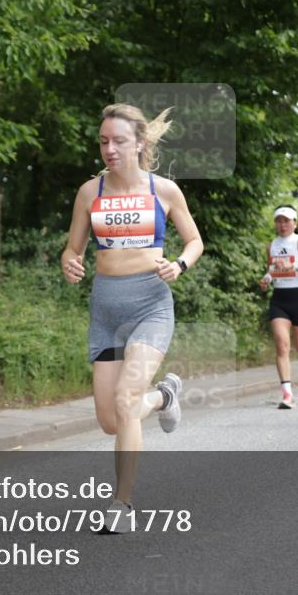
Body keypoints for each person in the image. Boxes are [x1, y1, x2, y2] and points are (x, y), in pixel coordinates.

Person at [61, 103, 203, 533]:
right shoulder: (91, 192)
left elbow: (194, 240)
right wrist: (70, 262)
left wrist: (178, 264)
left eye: (119, 141)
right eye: (104, 141)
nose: (109, 149)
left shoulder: (165, 191)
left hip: (150, 307)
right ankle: (164, 397)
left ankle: (121, 505)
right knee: (110, 421)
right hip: (106, 310)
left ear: (140, 143)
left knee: (125, 402)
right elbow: (73, 249)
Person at [259, 205, 298, 409]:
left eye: (287, 220)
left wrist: (293, 267)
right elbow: (273, 269)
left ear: (295, 223)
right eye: (279, 220)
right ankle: (287, 394)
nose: (282, 224)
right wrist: (266, 278)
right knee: (281, 344)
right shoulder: (272, 245)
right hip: (280, 299)